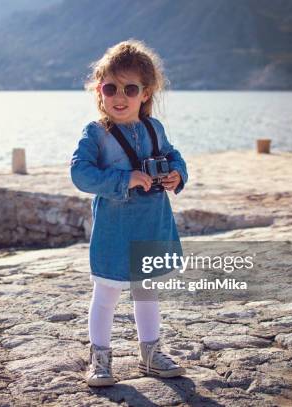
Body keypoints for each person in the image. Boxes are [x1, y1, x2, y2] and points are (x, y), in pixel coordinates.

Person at [70, 39, 188, 387]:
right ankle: (100, 357)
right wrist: (125, 178)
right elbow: (80, 173)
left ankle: (150, 354)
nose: (119, 96)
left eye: (130, 88)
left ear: (146, 93)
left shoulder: (155, 129)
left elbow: (173, 154)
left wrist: (177, 173)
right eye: (110, 88)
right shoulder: (95, 133)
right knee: (106, 293)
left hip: (152, 224)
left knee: (147, 291)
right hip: (114, 228)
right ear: (99, 90)